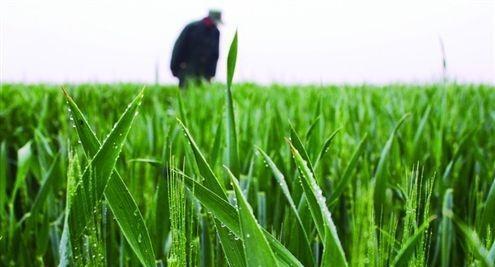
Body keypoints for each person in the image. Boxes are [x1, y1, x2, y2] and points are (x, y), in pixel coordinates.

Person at [170, 10, 222, 88]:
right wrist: (175, 68)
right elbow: (179, 47)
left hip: (205, 75)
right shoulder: (192, 28)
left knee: (202, 96)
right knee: (186, 94)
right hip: (188, 71)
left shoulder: (215, 32)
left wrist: (212, 73)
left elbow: (215, 54)